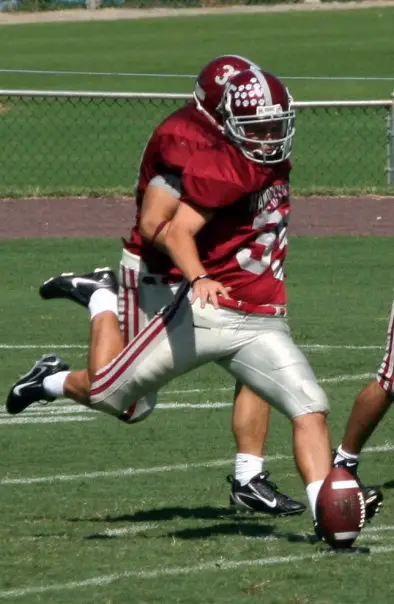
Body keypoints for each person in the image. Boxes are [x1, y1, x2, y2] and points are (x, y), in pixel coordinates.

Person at [5, 66, 380, 531]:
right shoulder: (204, 155)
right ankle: (100, 301)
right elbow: (165, 227)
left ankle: (325, 514)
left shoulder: (270, 159)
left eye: (275, 125)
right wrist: (199, 274)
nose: (268, 137)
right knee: (117, 399)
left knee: (310, 405)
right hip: (205, 312)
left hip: (261, 320)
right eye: (257, 127)